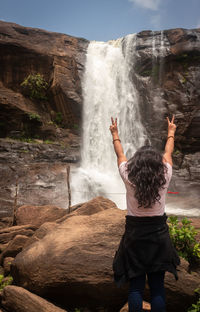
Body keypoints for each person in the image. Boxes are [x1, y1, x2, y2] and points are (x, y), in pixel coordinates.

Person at [109, 116, 180, 312]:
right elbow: (168, 152)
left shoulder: (128, 175)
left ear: (137, 163)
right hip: (158, 236)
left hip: (135, 237)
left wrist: (115, 134)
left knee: (136, 287)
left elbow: (120, 155)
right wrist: (171, 132)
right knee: (158, 288)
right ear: (158, 163)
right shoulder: (165, 174)